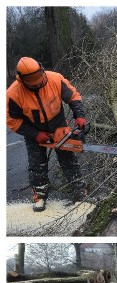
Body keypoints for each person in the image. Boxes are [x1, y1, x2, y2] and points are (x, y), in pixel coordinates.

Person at [6, 57, 89, 211]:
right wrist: (35, 134)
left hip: (58, 125)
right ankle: (40, 196)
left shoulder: (55, 79)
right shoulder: (13, 94)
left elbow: (74, 96)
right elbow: (12, 121)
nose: (38, 83)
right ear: (22, 79)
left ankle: (79, 190)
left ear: (42, 70)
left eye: (39, 79)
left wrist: (79, 115)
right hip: (34, 130)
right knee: (37, 165)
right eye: (33, 82)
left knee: (68, 160)